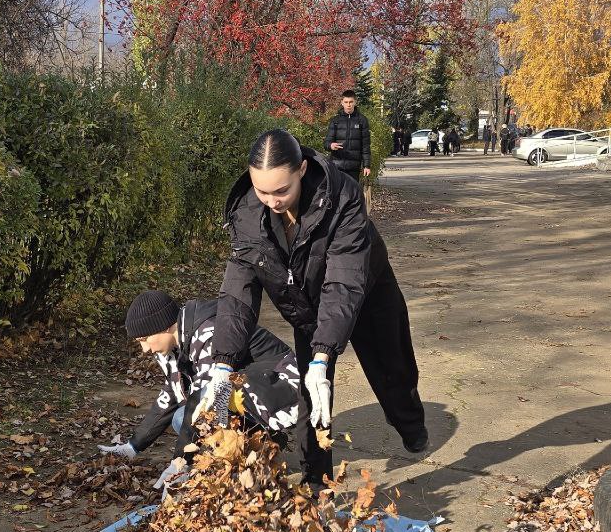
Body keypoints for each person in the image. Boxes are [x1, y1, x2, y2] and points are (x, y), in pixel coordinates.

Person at [195, 130, 427, 494]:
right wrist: (222, 363)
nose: (272, 201)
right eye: (262, 191)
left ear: (301, 169)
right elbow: (238, 294)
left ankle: (410, 425)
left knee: (393, 372)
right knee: (312, 393)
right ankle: (315, 481)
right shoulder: (245, 214)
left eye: (281, 190)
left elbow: (344, 282)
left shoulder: (342, 197)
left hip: (366, 293)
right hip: (307, 304)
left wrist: (325, 354)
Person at [99, 290, 300, 489]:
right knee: (181, 417)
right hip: (246, 390)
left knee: (202, 407)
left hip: (279, 386)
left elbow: (204, 400)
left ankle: (263, 443)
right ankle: (246, 446)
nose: (145, 349)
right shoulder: (177, 343)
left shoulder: (208, 333)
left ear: (165, 326)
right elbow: (170, 395)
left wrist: (179, 464)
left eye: (144, 339)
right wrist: (133, 446)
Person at [324, 89, 371, 182]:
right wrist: (330, 145)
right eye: (346, 102)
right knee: (337, 194)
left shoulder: (362, 120)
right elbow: (326, 143)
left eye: (351, 102)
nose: (348, 105)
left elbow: (366, 145)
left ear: (355, 102)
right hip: (337, 166)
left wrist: (367, 166)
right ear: (342, 103)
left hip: (354, 168)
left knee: (352, 195)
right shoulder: (335, 121)